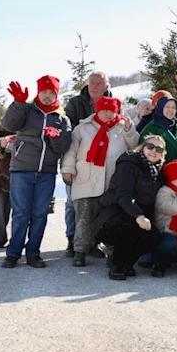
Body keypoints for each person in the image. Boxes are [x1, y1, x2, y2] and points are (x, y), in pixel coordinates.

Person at [0, 75, 72, 269]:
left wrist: (56, 138)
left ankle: (33, 253)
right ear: (38, 92)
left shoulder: (61, 118)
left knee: (40, 214)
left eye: (52, 92)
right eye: (44, 91)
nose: (47, 96)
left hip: (46, 174)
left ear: (56, 94)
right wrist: (18, 103)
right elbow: (9, 125)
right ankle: (13, 253)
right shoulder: (27, 110)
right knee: (21, 213)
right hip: (22, 170)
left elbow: (63, 146)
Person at [60, 97, 138, 267]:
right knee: (84, 217)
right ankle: (80, 251)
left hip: (112, 182)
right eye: (105, 110)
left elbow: (135, 146)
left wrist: (129, 130)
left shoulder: (121, 127)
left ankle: (110, 251)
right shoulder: (82, 128)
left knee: (109, 218)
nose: (109, 114)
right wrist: (68, 169)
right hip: (85, 179)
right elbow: (71, 151)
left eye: (112, 111)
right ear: (97, 110)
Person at [92, 135, 167, 280]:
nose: (154, 151)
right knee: (128, 225)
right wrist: (139, 216)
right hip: (109, 217)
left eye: (159, 149)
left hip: (134, 217)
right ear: (143, 147)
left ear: (162, 154)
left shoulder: (158, 173)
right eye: (150, 146)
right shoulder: (129, 163)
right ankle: (117, 266)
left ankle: (127, 262)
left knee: (154, 236)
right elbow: (123, 194)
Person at [63, 72, 112, 258]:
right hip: (80, 158)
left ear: (106, 86)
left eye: (99, 83)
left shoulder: (113, 103)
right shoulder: (76, 103)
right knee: (72, 202)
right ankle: (72, 238)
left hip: (102, 162)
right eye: (92, 82)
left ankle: (93, 242)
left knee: (97, 203)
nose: (94, 86)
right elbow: (68, 128)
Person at [139, 96, 177, 163]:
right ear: (160, 108)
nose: (170, 110)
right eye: (167, 107)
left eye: (173, 107)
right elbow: (143, 151)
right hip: (160, 170)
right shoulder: (151, 127)